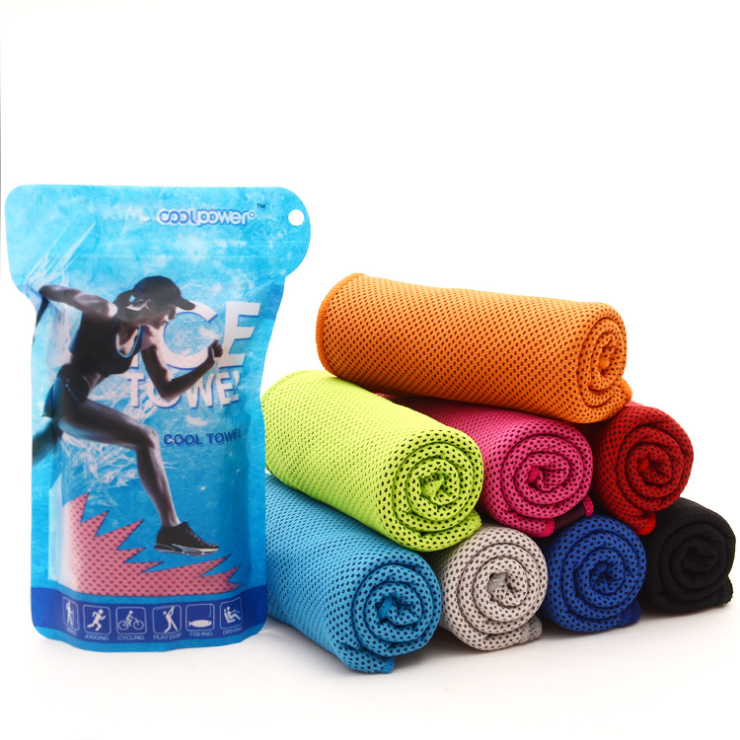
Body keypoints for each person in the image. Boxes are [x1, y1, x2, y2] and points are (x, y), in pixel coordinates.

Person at [36, 276, 220, 556]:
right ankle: (171, 529)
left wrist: (205, 366)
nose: (172, 317)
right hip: (67, 395)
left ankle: (171, 531)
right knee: (146, 438)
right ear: (150, 303)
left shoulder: (147, 337)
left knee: (35, 450)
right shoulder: (102, 311)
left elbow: (167, 391)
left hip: (73, 400)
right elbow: (52, 291)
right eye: (170, 308)